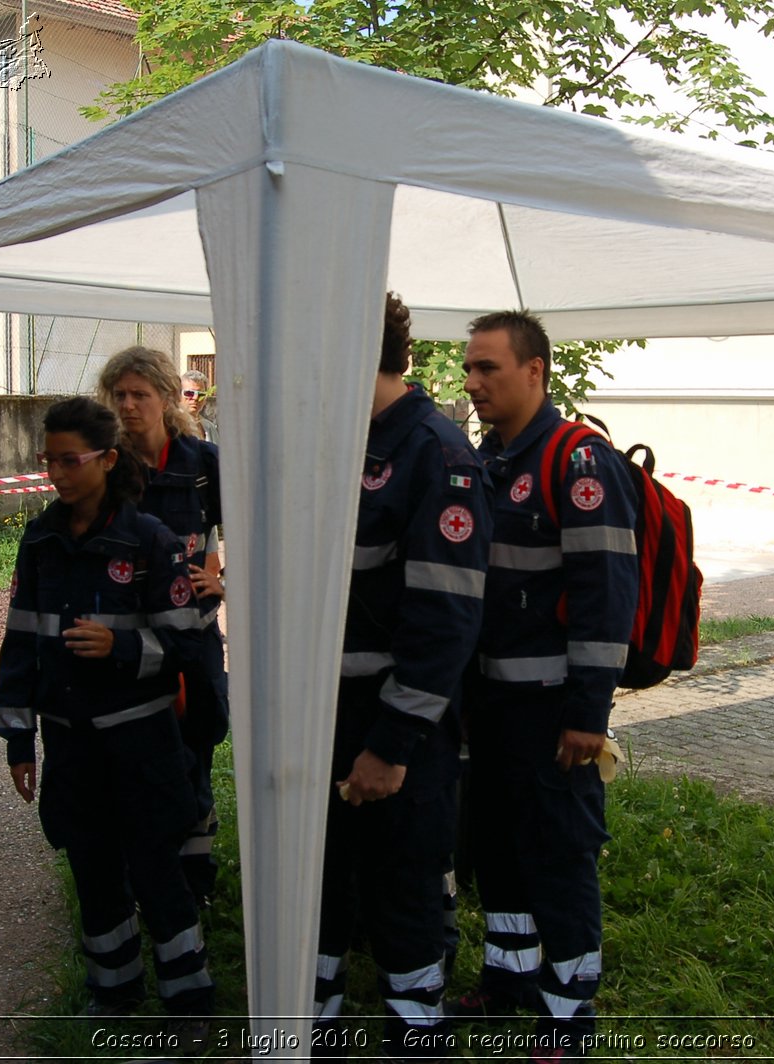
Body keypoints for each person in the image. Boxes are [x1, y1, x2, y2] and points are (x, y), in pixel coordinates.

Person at [0, 397, 215, 1028]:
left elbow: (187, 643)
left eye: (70, 460)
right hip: (72, 749)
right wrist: (18, 740)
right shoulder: (40, 540)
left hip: (141, 747)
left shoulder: (151, 542)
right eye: (48, 461)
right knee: (92, 870)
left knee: (156, 872)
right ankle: (115, 993)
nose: (57, 474)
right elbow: (20, 643)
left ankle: (188, 1003)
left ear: (108, 459)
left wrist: (120, 647)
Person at [454, 310, 639, 1061]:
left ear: (535, 371)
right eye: (468, 368)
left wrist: (587, 714)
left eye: (487, 368)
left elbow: (607, 595)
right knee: (497, 847)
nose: (472, 383)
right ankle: (510, 979)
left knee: (559, 857)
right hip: (491, 707)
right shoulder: (487, 461)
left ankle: (568, 1016)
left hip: (554, 710)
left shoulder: (580, 463)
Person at [312, 293, 492, 1058]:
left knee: (401, 892)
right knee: (318, 887)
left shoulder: (435, 454)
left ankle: (418, 1038)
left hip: (393, 725)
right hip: (318, 717)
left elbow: (444, 624)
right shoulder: (335, 442)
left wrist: (390, 746)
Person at [98, 348, 228, 905]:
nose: (128, 405)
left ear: (167, 398)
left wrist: (228, 583)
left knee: (194, 748)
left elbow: (256, 524)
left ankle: (195, 883)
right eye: (119, 395)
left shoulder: (203, 464)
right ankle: (140, 879)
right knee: (135, 758)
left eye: (139, 394)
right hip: (130, 643)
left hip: (192, 638)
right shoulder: (107, 466)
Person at [180, 370, 219, 443]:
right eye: (189, 393)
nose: (195, 398)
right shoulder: (170, 427)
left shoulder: (210, 428)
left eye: (201, 394)